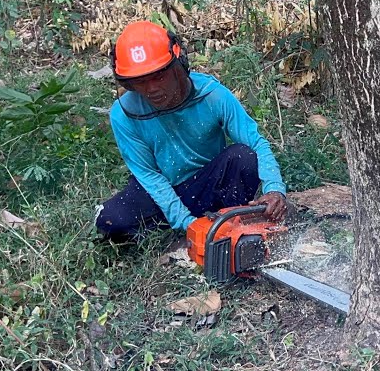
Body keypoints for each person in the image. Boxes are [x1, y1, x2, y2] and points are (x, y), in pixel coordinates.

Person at [95, 20, 287, 243]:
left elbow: (256, 143)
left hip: (208, 181)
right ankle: (193, 225)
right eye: (140, 82)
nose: (152, 89)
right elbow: (149, 175)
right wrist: (189, 224)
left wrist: (275, 189)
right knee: (111, 221)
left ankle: (229, 221)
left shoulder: (212, 95)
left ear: (178, 64)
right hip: (162, 188)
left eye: (159, 77)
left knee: (243, 157)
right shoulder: (123, 115)